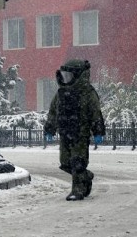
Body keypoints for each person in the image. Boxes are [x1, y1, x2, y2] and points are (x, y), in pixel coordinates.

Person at [44, 59, 105, 201]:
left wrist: (98, 131)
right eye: (64, 75)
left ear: (78, 76)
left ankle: (77, 191)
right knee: (65, 163)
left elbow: (95, 113)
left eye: (69, 75)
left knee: (77, 163)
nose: (66, 79)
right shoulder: (61, 93)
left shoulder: (88, 93)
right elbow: (53, 111)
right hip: (65, 133)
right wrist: (50, 128)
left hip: (81, 134)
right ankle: (86, 176)